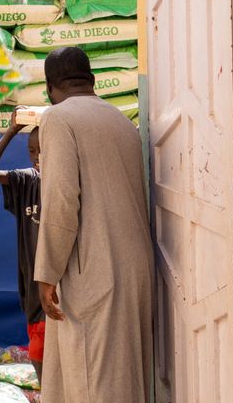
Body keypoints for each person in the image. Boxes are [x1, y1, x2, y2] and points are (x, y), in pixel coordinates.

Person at [34, 47, 153, 403]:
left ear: (49, 87)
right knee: (123, 381)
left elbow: (61, 200)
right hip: (135, 268)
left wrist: (47, 274)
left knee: (92, 382)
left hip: (94, 269)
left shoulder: (57, 118)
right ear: (93, 81)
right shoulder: (120, 119)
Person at [0, 113, 45, 381]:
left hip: (59, 292)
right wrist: (11, 131)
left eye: (43, 149)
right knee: (43, 369)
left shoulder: (68, 182)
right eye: (31, 150)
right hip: (32, 291)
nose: (37, 156)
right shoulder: (27, 180)